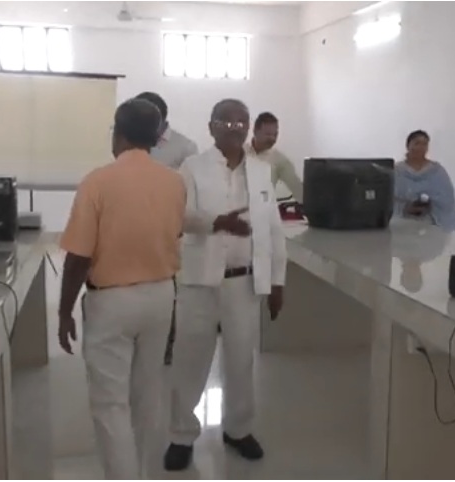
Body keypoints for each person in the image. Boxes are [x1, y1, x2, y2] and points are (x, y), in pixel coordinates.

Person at [58, 98, 186, 479]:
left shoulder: (98, 182)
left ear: (118, 134)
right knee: (147, 396)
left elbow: (78, 258)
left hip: (112, 302)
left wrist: (64, 311)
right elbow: (174, 235)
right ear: (157, 138)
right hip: (161, 297)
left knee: (110, 404)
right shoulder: (174, 183)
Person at [164, 99, 287, 471]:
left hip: (244, 282)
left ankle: (238, 429)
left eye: (241, 121)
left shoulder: (262, 171)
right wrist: (217, 222)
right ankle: (181, 435)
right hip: (199, 281)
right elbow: (177, 216)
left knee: (240, 360)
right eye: (226, 121)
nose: (235, 127)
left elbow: (274, 229)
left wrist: (277, 281)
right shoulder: (192, 167)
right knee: (190, 359)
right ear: (211, 126)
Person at [135, 91, 198, 367]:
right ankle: (139, 341)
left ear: (161, 118)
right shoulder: (135, 143)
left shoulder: (185, 148)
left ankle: (167, 346)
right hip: (134, 227)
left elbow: (189, 193)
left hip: (169, 230)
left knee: (167, 288)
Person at [393, 130, 455, 231]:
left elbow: (447, 201)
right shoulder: (397, 172)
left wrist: (429, 205)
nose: (421, 148)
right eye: (417, 143)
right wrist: (405, 208)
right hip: (402, 228)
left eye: (424, 144)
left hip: (431, 227)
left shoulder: (437, 172)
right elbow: (388, 200)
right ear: (408, 146)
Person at [245, 112, 303, 203]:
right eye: (268, 134)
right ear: (255, 131)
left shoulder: (280, 161)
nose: (272, 139)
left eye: (275, 135)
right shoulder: (238, 152)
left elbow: (299, 191)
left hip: (263, 209)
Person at [135, 91, 199, 170]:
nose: (141, 126)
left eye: (146, 122)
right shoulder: (129, 143)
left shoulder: (186, 148)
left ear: (161, 119)